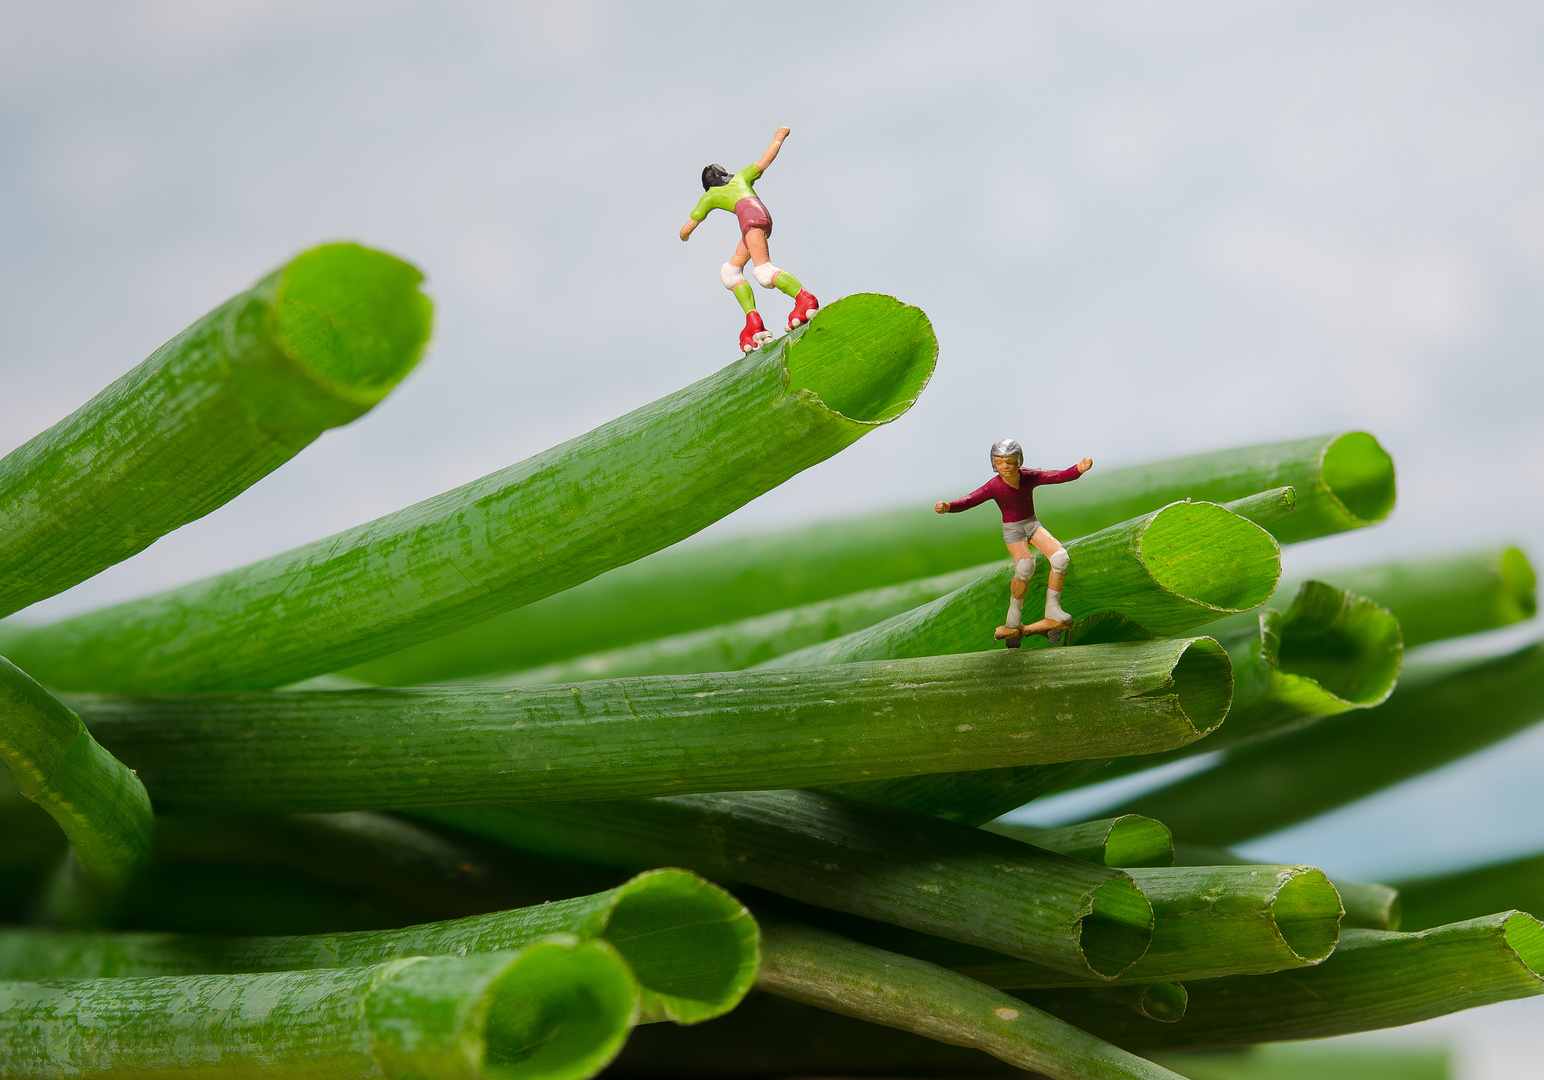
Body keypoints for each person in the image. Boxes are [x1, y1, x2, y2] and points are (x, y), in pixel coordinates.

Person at [934, 439, 1093, 646]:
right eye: (1000, 463)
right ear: (994, 464)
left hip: (1032, 525)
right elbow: (970, 500)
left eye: (1010, 462)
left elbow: (1056, 476)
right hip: (1013, 530)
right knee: (1026, 566)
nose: (1005, 467)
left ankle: (1053, 609)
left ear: (1019, 461)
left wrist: (1078, 469)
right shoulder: (994, 486)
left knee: (1060, 558)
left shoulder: (1029, 477)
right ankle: (1013, 617)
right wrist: (949, 506)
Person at [679, 126, 820, 354]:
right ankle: (753, 322)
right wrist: (779, 137)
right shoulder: (741, 178)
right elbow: (764, 161)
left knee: (763, 272)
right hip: (760, 221)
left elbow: (688, 227)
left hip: (752, 222)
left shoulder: (711, 195)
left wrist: (683, 234)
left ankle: (804, 299)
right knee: (731, 271)